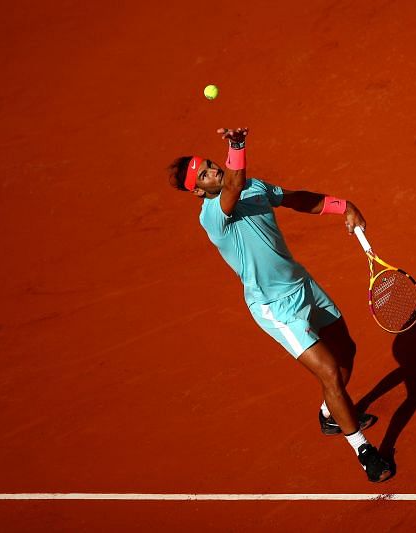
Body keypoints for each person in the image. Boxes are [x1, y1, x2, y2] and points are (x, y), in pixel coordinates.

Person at [168, 127, 393, 483]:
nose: (214, 171)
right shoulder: (212, 215)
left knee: (346, 350)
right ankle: (364, 450)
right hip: (275, 307)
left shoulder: (254, 188)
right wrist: (238, 146)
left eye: (212, 164)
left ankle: (330, 413)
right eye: (206, 174)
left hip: (302, 284)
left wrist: (344, 206)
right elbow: (232, 187)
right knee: (330, 372)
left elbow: (296, 199)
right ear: (197, 191)